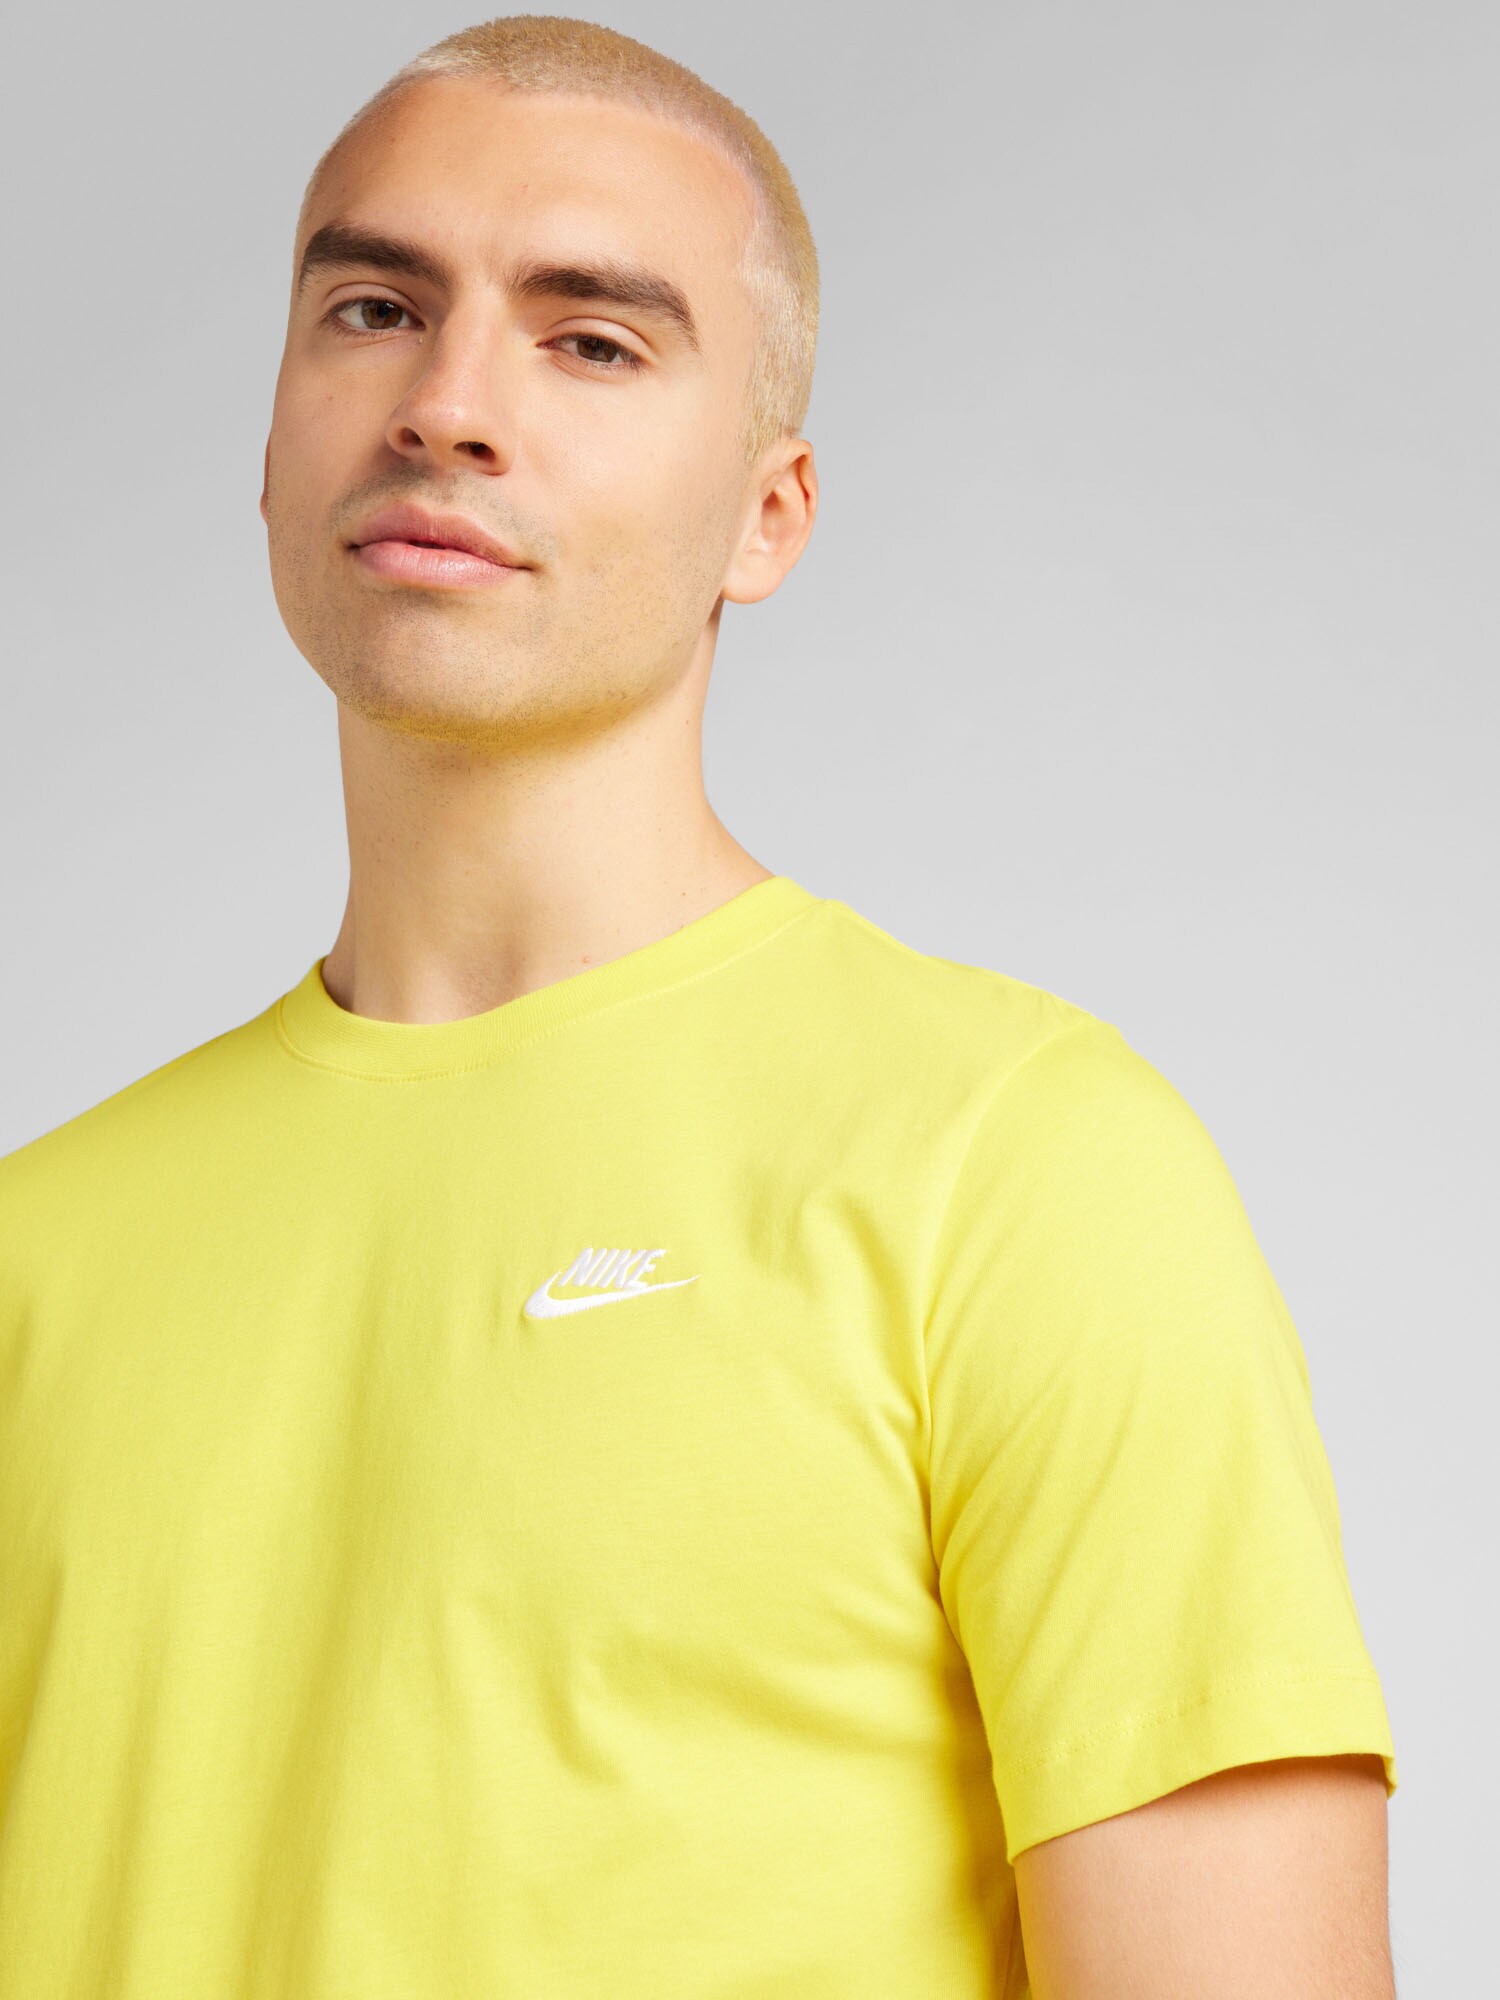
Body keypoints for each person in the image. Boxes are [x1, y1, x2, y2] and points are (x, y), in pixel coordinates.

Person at [0, 15, 1399, 1997]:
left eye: (592, 341)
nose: (448, 406)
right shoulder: (34, 1249)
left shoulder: (1021, 1168)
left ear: (770, 512)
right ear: (271, 443)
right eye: (375, 310)